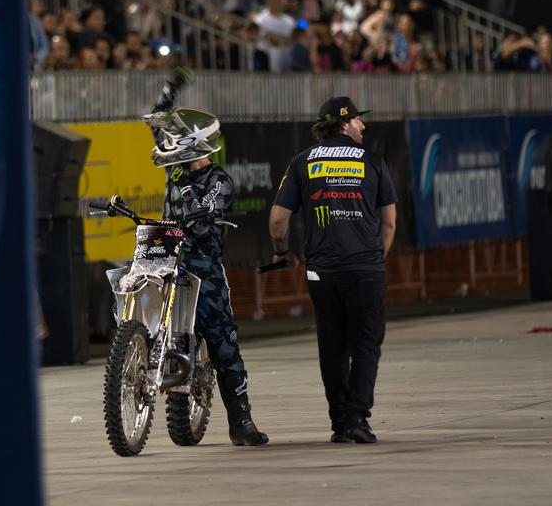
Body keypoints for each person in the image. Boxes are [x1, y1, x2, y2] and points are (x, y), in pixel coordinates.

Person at [145, 68, 268, 447]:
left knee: (222, 340)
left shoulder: (218, 180)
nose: (172, 145)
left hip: (203, 269)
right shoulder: (175, 169)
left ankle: (241, 422)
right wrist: (171, 91)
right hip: (165, 261)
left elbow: (203, 214)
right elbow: (158, 122)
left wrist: (185, 188)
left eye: (181, 142)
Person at [269, 97, 397, 444]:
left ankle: (340, 422)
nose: (363, 126)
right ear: (344, 123)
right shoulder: (373, 162)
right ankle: (358, 417)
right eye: (358, 120)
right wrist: (374, 260)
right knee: (366, 344)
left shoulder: (301, 162)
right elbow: (388, 224)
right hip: (365, 269)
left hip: (322, 272)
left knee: (333, 344)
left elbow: (278, 221)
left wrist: (282, 254)